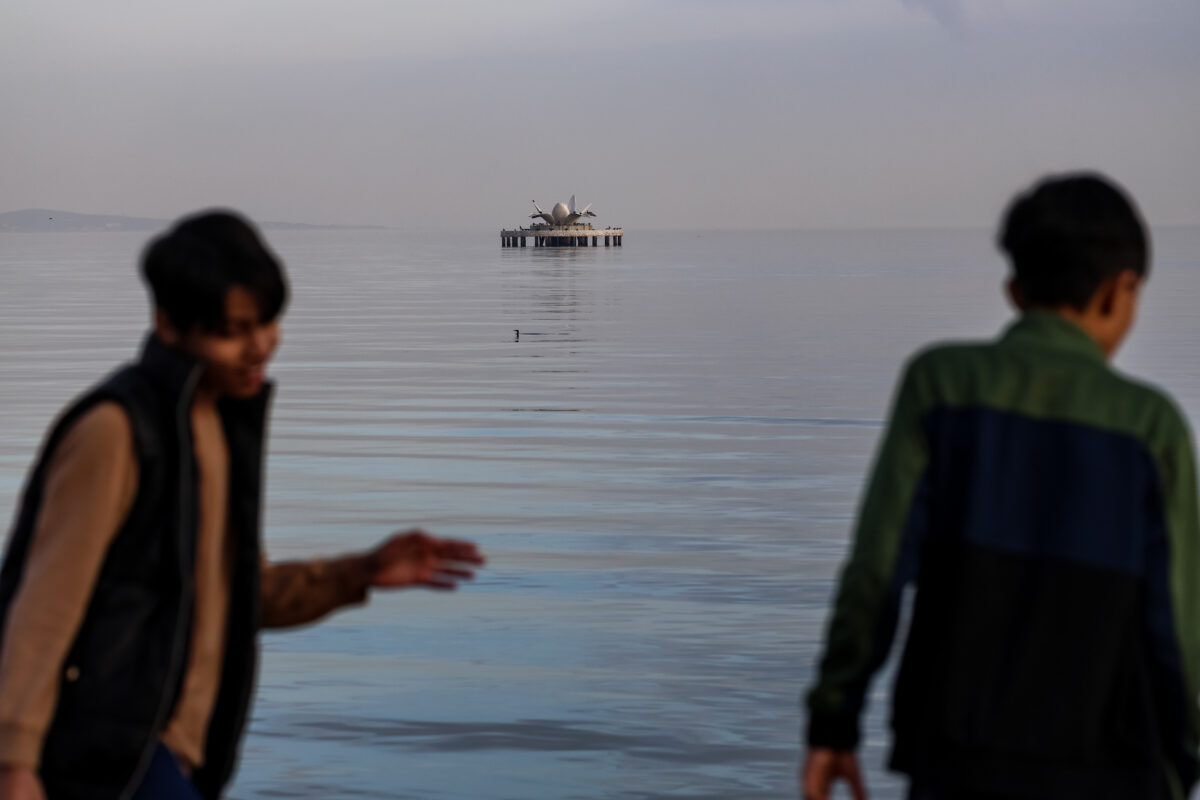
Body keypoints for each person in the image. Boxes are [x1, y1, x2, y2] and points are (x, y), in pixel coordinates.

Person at [0, 211, 486, 800]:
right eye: (235, 330)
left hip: (176, 759)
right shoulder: (117, 431)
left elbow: (238, 594)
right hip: (109, 759)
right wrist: (14, 764)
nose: (261, 347)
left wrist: (358, 573)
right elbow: (42, 610)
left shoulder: (217, 424)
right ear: (170, 326)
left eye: (268, 324)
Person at [801, 173, 1200, 800]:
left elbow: (876, 573)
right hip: (1115, 768)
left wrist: (834, 719)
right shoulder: (1153, 428)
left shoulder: (940, 386)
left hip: (957, 761)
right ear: (1120, 289)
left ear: (1013, 289)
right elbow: (1176, 627)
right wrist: (1186, 758)